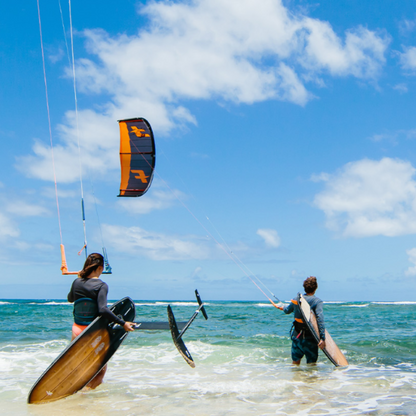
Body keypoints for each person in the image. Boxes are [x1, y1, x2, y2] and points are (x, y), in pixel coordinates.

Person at [67, 252, 135, 389]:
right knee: (99, 370)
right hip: (92, 332)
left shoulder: (76, 282)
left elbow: (70, 299)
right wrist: (123, 323)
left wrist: (79, 279)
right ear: (100, 268)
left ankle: (79, 393)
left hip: (76, 330)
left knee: (81, 365)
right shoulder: (101, 285)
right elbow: (102, 309)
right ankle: (88, 396)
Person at [277, 276, 326, 365]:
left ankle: (295, 379)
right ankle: (310, 379)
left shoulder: (296, 299)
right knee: (311, 366)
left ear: (304, 287)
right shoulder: (317, 301)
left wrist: (282, 307)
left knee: (295, 363)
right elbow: (320, 319)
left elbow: (287, 310)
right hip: (310, 338)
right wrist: (322, 338)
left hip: (297, 336)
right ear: (316, 288)